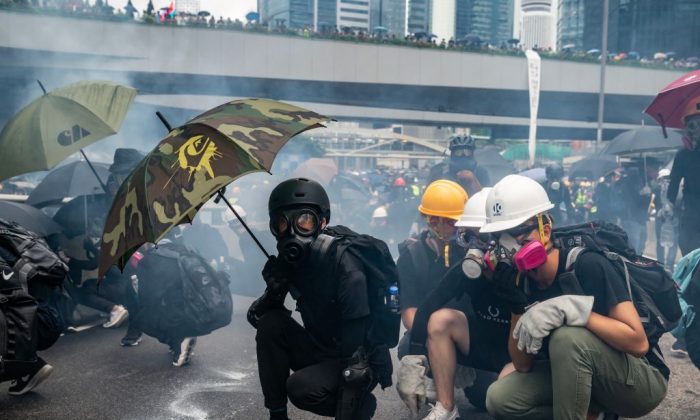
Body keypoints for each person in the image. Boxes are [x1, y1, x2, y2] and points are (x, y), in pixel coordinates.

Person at [482, 175, 668, 420]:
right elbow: (523, 364)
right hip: (580, 375)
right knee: (500, 399)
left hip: (640, 381)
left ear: (545, 230)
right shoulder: (523, 280)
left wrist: (573, 310)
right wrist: (517, 306)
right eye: (499, 237)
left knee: (567, 337)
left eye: (516, 233)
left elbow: (638, 343)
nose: (507, 246)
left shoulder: (586, 265)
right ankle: (593, 413)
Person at [247, 178, 395, 420]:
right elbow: (258, 320)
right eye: (283, 223)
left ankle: (362, 407)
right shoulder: (294, 261)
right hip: (324, 349)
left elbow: (353, 356)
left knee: (300, 388)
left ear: (322, 222)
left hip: (361, 360)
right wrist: (274, 290)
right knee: (271, 323)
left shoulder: (347, 267)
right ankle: (277, 416)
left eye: (304, 220)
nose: (293, 231)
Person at [397, 188, 513, 420]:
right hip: (469, 335)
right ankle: (445, 403)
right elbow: (425, 308)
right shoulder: (455, 264)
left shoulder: (522, 267)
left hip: (516, 346)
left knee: (493, 400)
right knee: (419, 336)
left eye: (450, 222)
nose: (441, 227)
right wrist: (416, 357)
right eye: (468, 238)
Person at [397, 180, 469, 360]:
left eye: (450, 222)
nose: (441, 228)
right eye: (435, 220)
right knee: (408, 348)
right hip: (428, 328)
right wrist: (436, 336)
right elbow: (409, 311)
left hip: (469, 329)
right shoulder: (412, 256)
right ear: (425, 218)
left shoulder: (473, 252)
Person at [668, 96, 700, 255]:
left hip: (690, 219)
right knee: (690, 259)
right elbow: (673, 183)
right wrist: (669, 204)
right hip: (691, 219)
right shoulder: (683, 155)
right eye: (694, 124)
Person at [653, 168, 679, 268]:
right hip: (662, 219)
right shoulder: (658, 188)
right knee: (661, 241)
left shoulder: (675, 189)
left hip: (673, 218)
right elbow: (656, 203)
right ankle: (662, 264)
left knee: (673, 243)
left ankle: (668, 265)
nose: (665, 181)